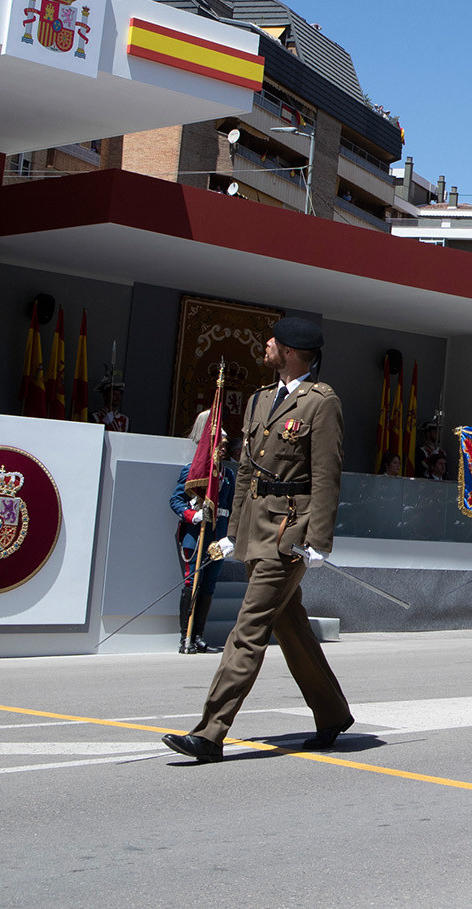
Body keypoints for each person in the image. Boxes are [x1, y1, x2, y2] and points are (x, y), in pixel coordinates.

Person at [163, 317, 353, 763]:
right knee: (290, 626)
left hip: (291, 533)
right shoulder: (260, 400)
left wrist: (318, 540)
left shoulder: (321, 403)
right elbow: (247, 470)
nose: (266, 345)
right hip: (256, 529)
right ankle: (333, 712)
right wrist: (232, 534)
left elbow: (327, 475)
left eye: (273, 341)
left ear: (288, 351)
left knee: (248, 631)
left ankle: (210, 732)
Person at [171, 409, 235, 655]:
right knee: (192, 584)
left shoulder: (227, 476)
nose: (223, 449)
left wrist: (228, 538)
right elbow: (175, 500)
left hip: (217, 538)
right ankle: (184, 637)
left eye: (225, 444)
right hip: (195, 536)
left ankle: (198, 636)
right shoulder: (193, 472)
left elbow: (229, 509)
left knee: (208, 586)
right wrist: (193, 516)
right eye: (220, 443)